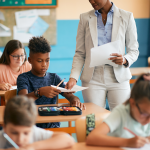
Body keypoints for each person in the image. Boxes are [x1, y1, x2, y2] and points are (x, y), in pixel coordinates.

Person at [65, 0, 139, 110]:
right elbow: (80, 53)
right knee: (93, 119)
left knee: (121, 117)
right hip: (92, 78)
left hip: (119, 77)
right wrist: (73, 77)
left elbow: (134, 50)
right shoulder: (84, 18)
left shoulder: (127, 16)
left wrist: (124, 59)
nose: (91, 1)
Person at [17, 36, 85, 128]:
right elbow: (22, 101)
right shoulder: (23, 78)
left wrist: (75, 100)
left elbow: (70, 96)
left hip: (53, 126)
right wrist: (39, 92)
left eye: (47, 60)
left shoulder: (54, 78)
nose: (44, 64)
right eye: (40, 61)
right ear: (30, 60)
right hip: (31, 126)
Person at [86, 73, 150, 148]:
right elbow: (91, 138)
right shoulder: (121, 112)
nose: (148, 121)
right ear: (132, 103)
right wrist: (127, 142)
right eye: (144, 113)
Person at [0, 95, 75, 149]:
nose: (20, 139)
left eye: (26, 133)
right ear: (5, 127)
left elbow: (68, 140)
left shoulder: (35, 133)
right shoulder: (1, 139)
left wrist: (31, 147)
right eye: (14, 133)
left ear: (32, 127)